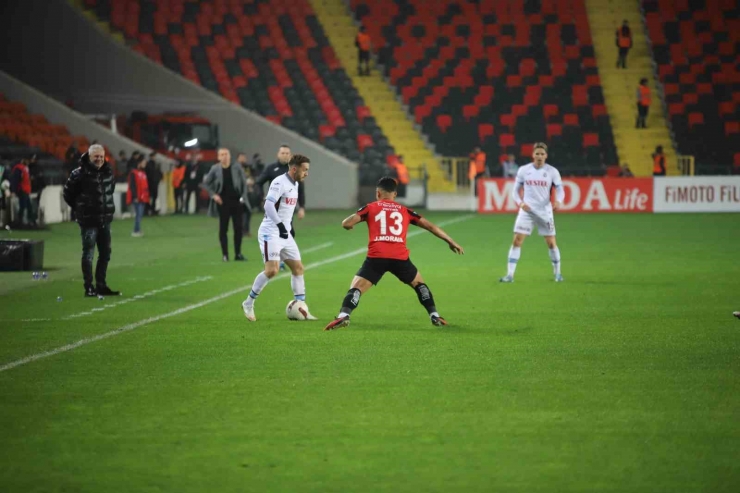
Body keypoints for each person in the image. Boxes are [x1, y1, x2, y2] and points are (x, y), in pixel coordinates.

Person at [324, 176, 464, 331]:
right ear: (395, 194)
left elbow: (346, 223)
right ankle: (434, 315)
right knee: (419, 284)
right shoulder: (405, 210)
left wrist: (350, 225)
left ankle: (344, 315)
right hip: (400, 258)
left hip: (377, 257)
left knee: (356, 287)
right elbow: (430, 226)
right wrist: (450, 241)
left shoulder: (370, 207)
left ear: (378, 193)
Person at [242, 154, 316, 322]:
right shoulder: (278, 182)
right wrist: (281, 226)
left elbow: (286, 210)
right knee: (272, 270)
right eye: (305, 170)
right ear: (294, 169)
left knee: (298, 268)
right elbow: (268, 204)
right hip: (271, 232)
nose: (307, 173)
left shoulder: (295, 183)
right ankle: (248, 302)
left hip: (285, 233)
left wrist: (288, 228)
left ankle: (302, 308)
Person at [500, 142, 564, 283]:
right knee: (517, 241)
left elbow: (560, 189)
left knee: (552, 243)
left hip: (544, 212)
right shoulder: (524, 170)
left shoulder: (552, 171)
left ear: (546, 156)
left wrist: (558, 201)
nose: (539, 156)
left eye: (542, 154)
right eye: (537, 153)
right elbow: (515, 191)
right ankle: (510, 275)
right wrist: (520, 203)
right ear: (533, 155)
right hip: (527, 211)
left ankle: (558, 274)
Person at [62, 144, 120, 297]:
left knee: (105, 253)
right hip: (88, 221)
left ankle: (101, 285)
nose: (99, 159)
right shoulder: (78, 174)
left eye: (101, 156)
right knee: (88, 254)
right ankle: (88, 287)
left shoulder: (108, 172)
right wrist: (80, 208)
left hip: (105, 220)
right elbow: (67, 194)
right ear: (89, 157)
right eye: (96, 157)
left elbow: (110, 191)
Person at [203, 148, 249, 261]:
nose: (224, 156)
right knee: (223, 229)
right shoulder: (215, 169)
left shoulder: (237, 167)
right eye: (222, 154)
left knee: (238, 228)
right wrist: (214, 195)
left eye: (226, 154)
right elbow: (207, 183)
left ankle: (238, 254)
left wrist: (243, 197)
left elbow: (244, 183)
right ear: (218, 157)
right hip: (222, 203)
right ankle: (225, 255)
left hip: (237, 202)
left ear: (229, 156)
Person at [256, 144, 306, 220]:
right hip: (273, 207)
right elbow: (259, 183)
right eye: (282, 153)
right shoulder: (271, 168)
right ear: (278, 155)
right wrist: (262, 197)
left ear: (290, 155)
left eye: (287, 153)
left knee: (287, 230)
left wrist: (301, 207)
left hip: (288, 208)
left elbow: (300, 189)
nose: (285, 155)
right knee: (272, 230)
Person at [126, 155, 150, 237]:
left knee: (140, 214)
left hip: (143, 198)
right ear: (139, 163)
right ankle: (136, 231)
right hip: (137, 198)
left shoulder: (143, 173)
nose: (145, 164)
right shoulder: (133, 173)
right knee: (139, 214)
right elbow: (132, 186)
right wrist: (135, 197)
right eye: (144, 163)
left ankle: (138, 230)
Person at [10, 158, 33, 227]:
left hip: (26, 190)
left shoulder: (25, 168)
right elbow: (15, 180)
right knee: (23, 206)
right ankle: (21, 222)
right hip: (22, 190)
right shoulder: (19, 169)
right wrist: (13, 190)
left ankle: (28, 221)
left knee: (27, 206)